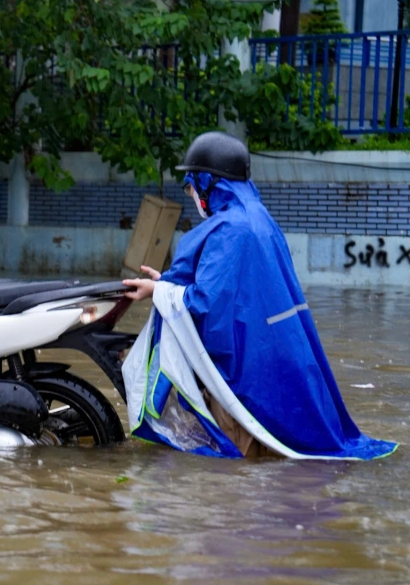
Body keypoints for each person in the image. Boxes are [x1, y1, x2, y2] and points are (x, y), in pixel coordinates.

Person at [120, 131, 395, 460]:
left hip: (249, 373)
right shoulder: (259, 219)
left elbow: (206, 306)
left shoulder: (229, 230)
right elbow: (233, 291)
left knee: (240, 466)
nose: (190, 193)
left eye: (190, 185)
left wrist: (159, 291)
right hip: (278, 362)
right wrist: (164, 284)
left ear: (209, 182)